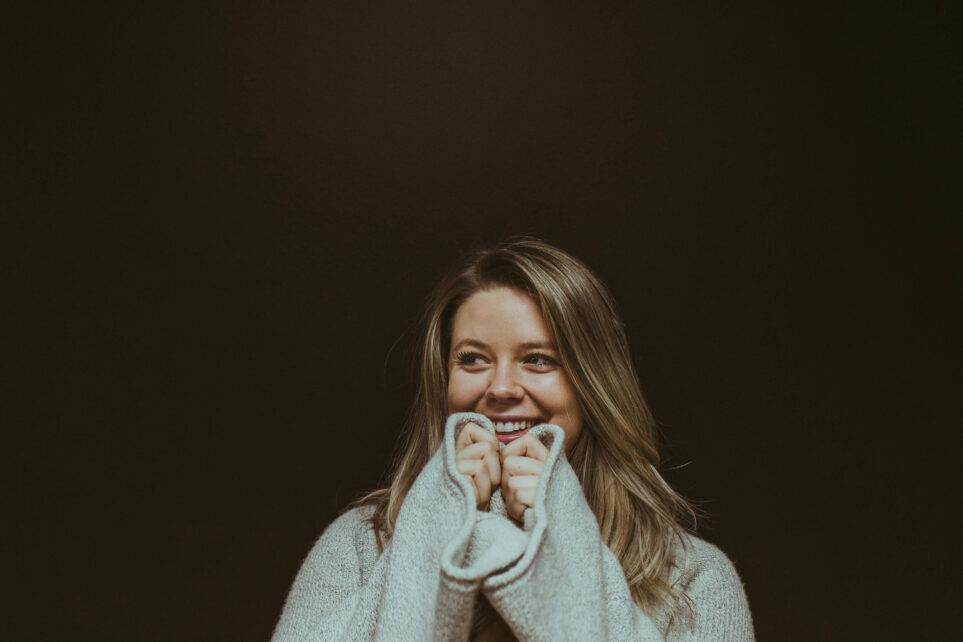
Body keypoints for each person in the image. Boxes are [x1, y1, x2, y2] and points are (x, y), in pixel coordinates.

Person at [272, 239, 754, 641]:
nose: (501, 388)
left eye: (539, 359)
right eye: (473, 359)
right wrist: (432, 527)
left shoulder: (694, 579)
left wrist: (562, 526)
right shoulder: (358, 546)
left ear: (593, 381)